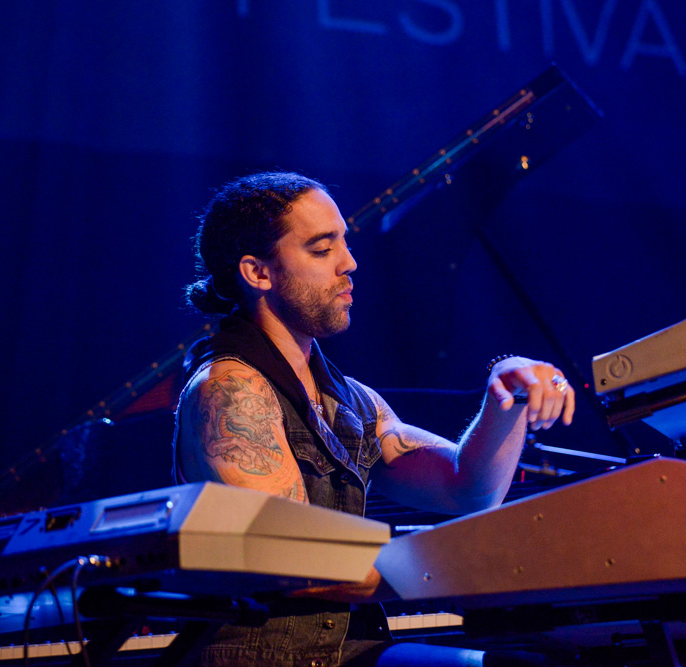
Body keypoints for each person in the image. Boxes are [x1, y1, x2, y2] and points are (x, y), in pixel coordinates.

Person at [174, 172, 575, 667]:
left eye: (344, 242)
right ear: (258, 273)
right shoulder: (231, 391)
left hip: (347, 651)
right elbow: (292, 560)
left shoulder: (350, 399)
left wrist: (505, 394)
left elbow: (467, 488)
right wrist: (464, 559)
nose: (349, 263)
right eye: (322, 250)